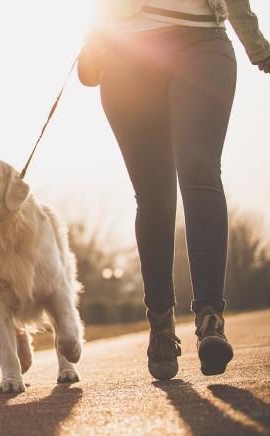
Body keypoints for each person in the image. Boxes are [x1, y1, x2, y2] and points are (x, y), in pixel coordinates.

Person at [94, 0, 270, 380]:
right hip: (129, 54)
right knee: (154, 199)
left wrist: (259, 47)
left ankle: (210, 320)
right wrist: (94, 38)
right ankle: (160, 326)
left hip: (202, 43)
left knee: (199, 170)